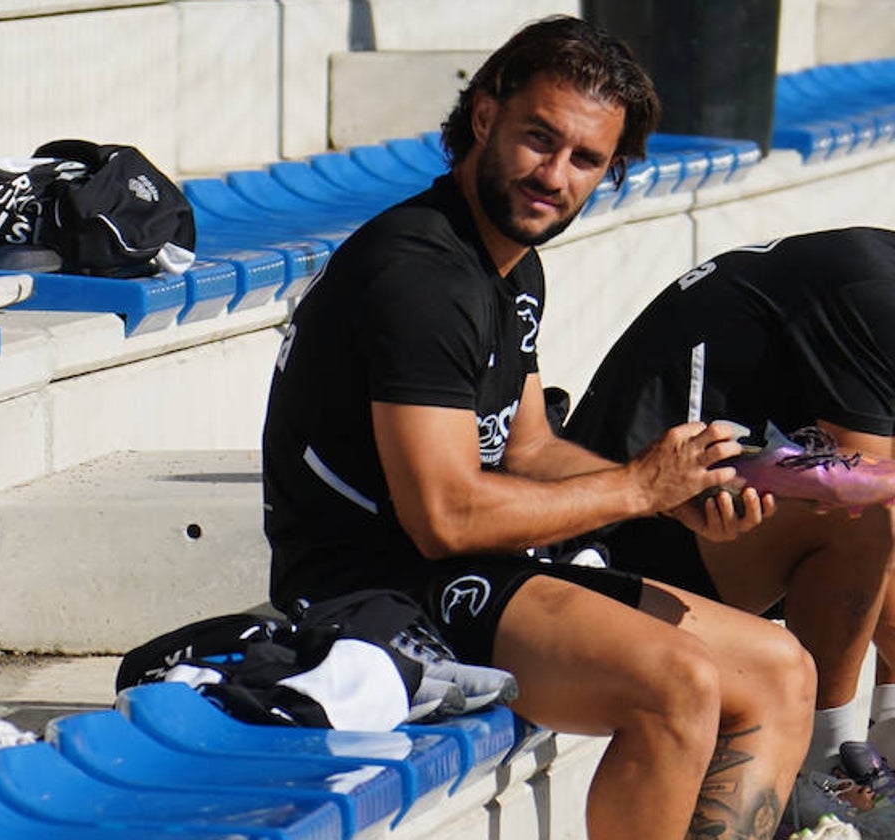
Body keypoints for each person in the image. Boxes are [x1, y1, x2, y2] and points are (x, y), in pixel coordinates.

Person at [261, 14, 816, 840]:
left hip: (465, 567)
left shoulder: (513, 270)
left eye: (585, 159)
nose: (554, 175)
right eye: (539, 139)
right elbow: (443, 516)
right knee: (677, 685)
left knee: (781, 669)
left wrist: (667, 498)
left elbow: (527, 447)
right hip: (368, 588)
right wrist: (633, 485)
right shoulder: (419, 273)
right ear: (485, 117)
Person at [563, 227, 895, 821]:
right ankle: (825, 771)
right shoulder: (874, 292)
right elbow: (855, 485)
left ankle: (882, 747)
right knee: (869, 516)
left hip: (718, 510)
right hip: (625, 533)